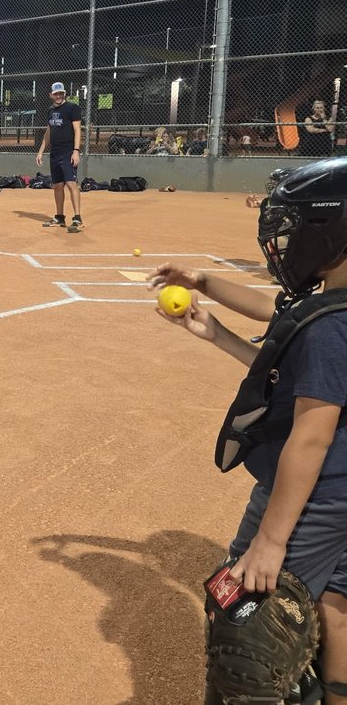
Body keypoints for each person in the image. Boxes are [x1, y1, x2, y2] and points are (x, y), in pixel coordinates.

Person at [149, 157, 347, 705]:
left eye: (296, 227)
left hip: (317, 496)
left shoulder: (331, 327)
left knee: (243, 609)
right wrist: (215, 325)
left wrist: (270, 541)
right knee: (335, 603)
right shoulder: (331, 308)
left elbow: (311, 435)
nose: (283, 244)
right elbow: (285, 334)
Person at [35, 81, 83, 232]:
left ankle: (77, 218)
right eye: (56, 94)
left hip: (68, 152)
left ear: (64, 94)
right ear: (51, 95)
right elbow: (48, 133)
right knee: (57, 185)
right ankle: (60, 217)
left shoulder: (72, 108)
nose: (58, 96)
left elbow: (77, 130)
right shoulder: (50, 111)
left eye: (61, 93)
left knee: (71, 184)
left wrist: (76, 150)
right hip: (54, 153)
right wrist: (41, 151)